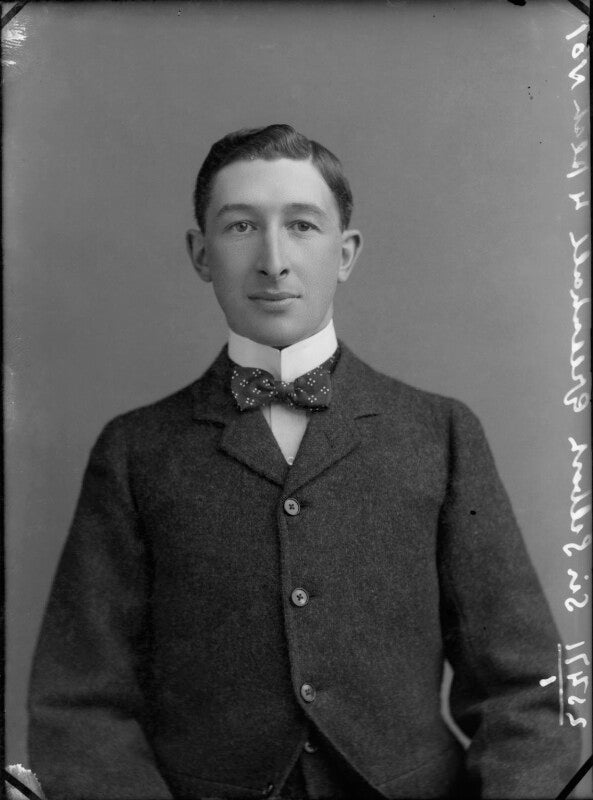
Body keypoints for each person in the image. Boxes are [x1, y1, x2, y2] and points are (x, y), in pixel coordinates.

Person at [28, 124, 580, 799]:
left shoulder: (438, 433)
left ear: (344, 253)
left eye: (302, 226)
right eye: (240, 227)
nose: (273, 260)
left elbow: (528, 690)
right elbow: (79, 706)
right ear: (200, 254)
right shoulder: (136, 450)